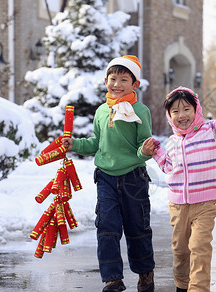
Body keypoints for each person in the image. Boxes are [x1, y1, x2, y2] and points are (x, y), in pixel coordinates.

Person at [62, 55, 156, 292]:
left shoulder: (140, 110)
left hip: (133, 178)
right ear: (106, 81)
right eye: (113, 78)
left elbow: (143, 144)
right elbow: (96, 143)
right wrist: (74, 145)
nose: (117, 84)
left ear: (135, 84)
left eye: (124, 79)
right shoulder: (102, 111)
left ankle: (145, 273)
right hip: (105, 177)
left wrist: (145, 151)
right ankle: (112, 279)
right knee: (106, 228)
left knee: (138, 229)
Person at [144, 76, 216, 292]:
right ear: (169, 116)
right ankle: (182, 286)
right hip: (178, 207)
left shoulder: (212, 131)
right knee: (180, 251)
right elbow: (169, 167)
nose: (182, 115)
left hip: (204, 205)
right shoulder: (172, 142)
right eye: (175, 111)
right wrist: (157, 152)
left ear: (196, 109)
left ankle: (198, 289)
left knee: (199, 247)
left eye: (186, 109)